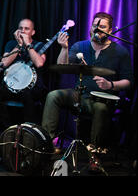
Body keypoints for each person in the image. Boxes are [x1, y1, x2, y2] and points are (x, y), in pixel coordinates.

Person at [41, 12, 133, 173]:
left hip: (103, 101)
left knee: (101, 109)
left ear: (110, 30)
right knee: (53, 95)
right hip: (80, 95)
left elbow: (128, 82)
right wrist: (64, 48)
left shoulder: (120, 52)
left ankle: (94, 154)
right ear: (90, 28)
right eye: (95, 26)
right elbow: (62, 67)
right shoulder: (80, 46)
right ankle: (47, 144)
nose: (97, 29)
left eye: (102, 27)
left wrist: (110, 84)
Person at [0, 18, 47, 133]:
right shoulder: (11, 44)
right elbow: (4, 63)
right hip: (12, 85)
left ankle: (27, 132)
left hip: (31, 88)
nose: (23, 31)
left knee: (27, 96)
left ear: (33, 32)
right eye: (20, 28)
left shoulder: (39, 45)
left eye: (26, 29)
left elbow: (39, 63)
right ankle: (9, 129)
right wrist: (19, 45)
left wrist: (28, 45)